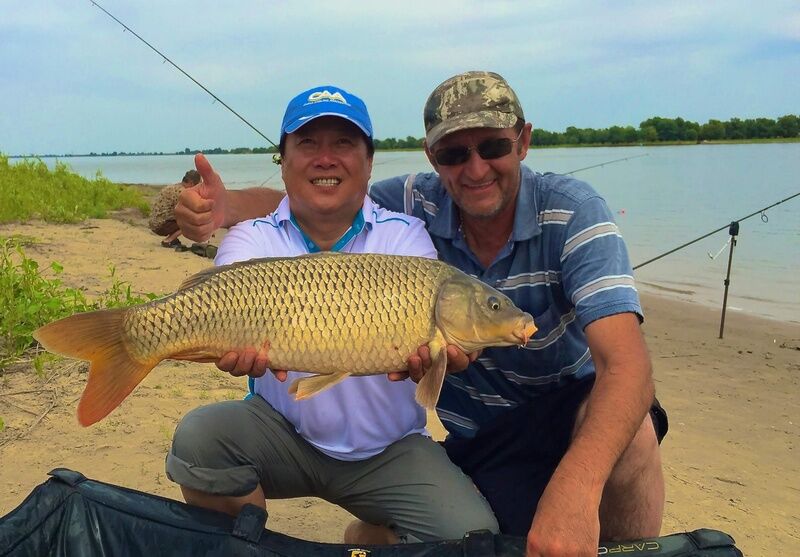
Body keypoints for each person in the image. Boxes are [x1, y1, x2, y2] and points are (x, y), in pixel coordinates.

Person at [175, 72, 667, 556]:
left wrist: (576, 492)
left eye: (493, 147)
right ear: (433, 158)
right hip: (467, 437)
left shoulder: (565, 213)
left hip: (556, 414)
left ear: (523, 141)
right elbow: (317, 196)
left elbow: (627, 366)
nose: (474, 169)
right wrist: (228, 206)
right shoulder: (415, 200)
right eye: (455, 153)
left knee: (620, 445)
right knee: (200, 438)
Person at [165, 85, 499, 544]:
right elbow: (222, 304)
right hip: (282, 433)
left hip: (390, 450)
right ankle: (247, 547)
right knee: (201, 440)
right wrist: (223, 348)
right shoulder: (250, 239)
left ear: (368, 162)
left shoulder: (405, 239)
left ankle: (367, 536)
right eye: (307, 144)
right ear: (282, 161)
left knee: (468, 538)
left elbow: (435, 365)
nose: (326, 159)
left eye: (343, 144)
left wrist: (441, 358)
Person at [148, 169, 201, 250]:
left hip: (155, 222)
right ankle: (168, 241)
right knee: (190, 222)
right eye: (197, 185)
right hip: (160, 225)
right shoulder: (182, 193)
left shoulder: (174, 187)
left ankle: (172, 238)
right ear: (191, 183)